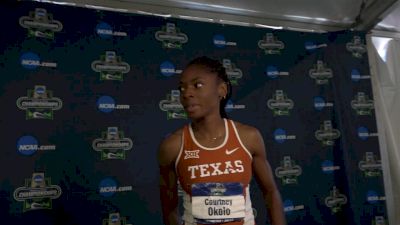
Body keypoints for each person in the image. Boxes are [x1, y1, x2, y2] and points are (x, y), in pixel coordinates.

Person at [158, 56, 286, 225]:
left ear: (222, 90)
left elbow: (271, 192)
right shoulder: (172, 147)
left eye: (197, 85)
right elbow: (169, 210)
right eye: (182, 88)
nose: (187, 93)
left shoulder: (249, 137)